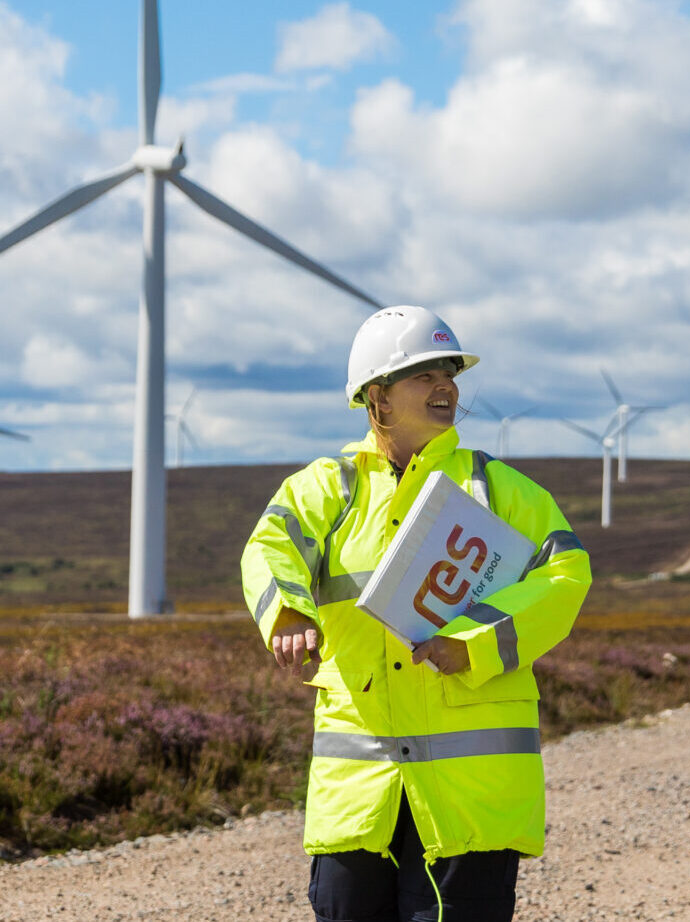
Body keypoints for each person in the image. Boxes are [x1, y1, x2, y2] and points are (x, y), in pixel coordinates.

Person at [240, 305, 592, 922]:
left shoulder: (501, 490)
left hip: (469, 796)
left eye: (450, 373)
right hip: (361, 792)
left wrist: (474, 642)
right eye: (424, 375)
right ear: (377, 396)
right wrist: (288, 614)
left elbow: (566, 575)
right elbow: (269, 548)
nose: (446, 387)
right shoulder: (327, 488)